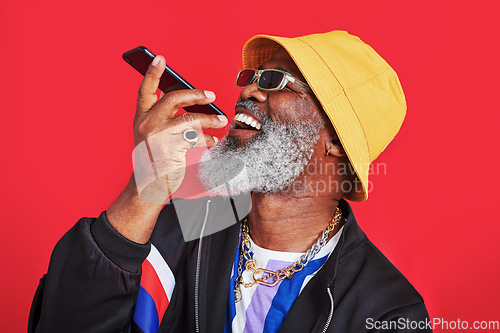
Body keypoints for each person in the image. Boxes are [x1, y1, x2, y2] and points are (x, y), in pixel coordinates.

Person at [29, 31, 431, 333]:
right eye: (251, 75)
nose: (248, 89)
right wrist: (146, 187)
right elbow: (64, 322)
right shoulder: (173, 235)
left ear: (337, 142)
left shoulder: (389, 310)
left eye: (274, 80)